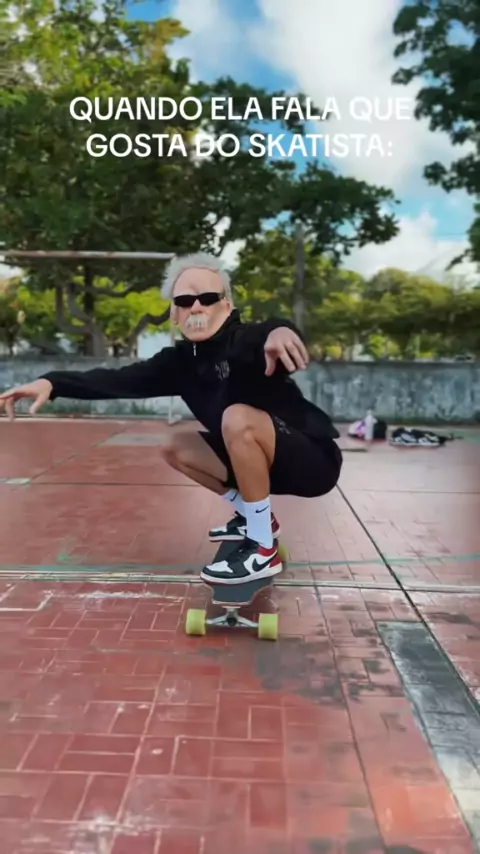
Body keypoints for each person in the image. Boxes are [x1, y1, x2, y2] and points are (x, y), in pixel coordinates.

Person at [0, 252, 342, 585]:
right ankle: (256, 517)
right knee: (177, 446)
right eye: (185, 301)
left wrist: (281, 330)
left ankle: (262, 547)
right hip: (255, 467)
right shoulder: (177, 364)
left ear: (226, 307)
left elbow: (265, 332)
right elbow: (114, 380)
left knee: (237, 417)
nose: (197, 307)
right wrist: (52, 383)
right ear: (174, 314)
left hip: (311, 461)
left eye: (208, 298)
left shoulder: (243, 341)